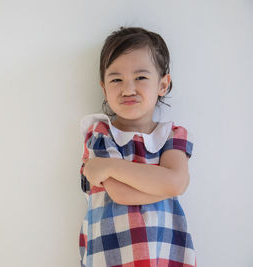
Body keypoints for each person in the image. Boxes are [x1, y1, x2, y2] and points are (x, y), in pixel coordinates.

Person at [78, 26, 196, 267]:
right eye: (116, 79)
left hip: (164, 251)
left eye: (141, 77)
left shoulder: (172, 135)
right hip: (113, 254)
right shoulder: (101, 133)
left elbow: (176, 182)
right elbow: (121, 194)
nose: (128, 89)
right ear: (104, 88)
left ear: (163, 85)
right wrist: (167, 183)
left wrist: (110, 166)